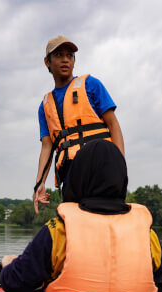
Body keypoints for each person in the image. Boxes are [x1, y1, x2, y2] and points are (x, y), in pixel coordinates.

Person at [2, 140, 162, 292]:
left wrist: (8, 265)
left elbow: (14, 284)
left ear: (78, 177)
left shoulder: (58, 230)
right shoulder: (147, 235)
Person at [33, 35, 125, 214]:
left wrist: (121, 166)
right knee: (76, 226)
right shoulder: (45, 106)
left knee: (107, 220)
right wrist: (39, 183)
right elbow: (46, 147)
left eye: (70, 55)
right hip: (71, 177)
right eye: (59, 55)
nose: (65, 59)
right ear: (47, 62)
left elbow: (113, 125)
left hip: (103, 170)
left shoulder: (91, 85)